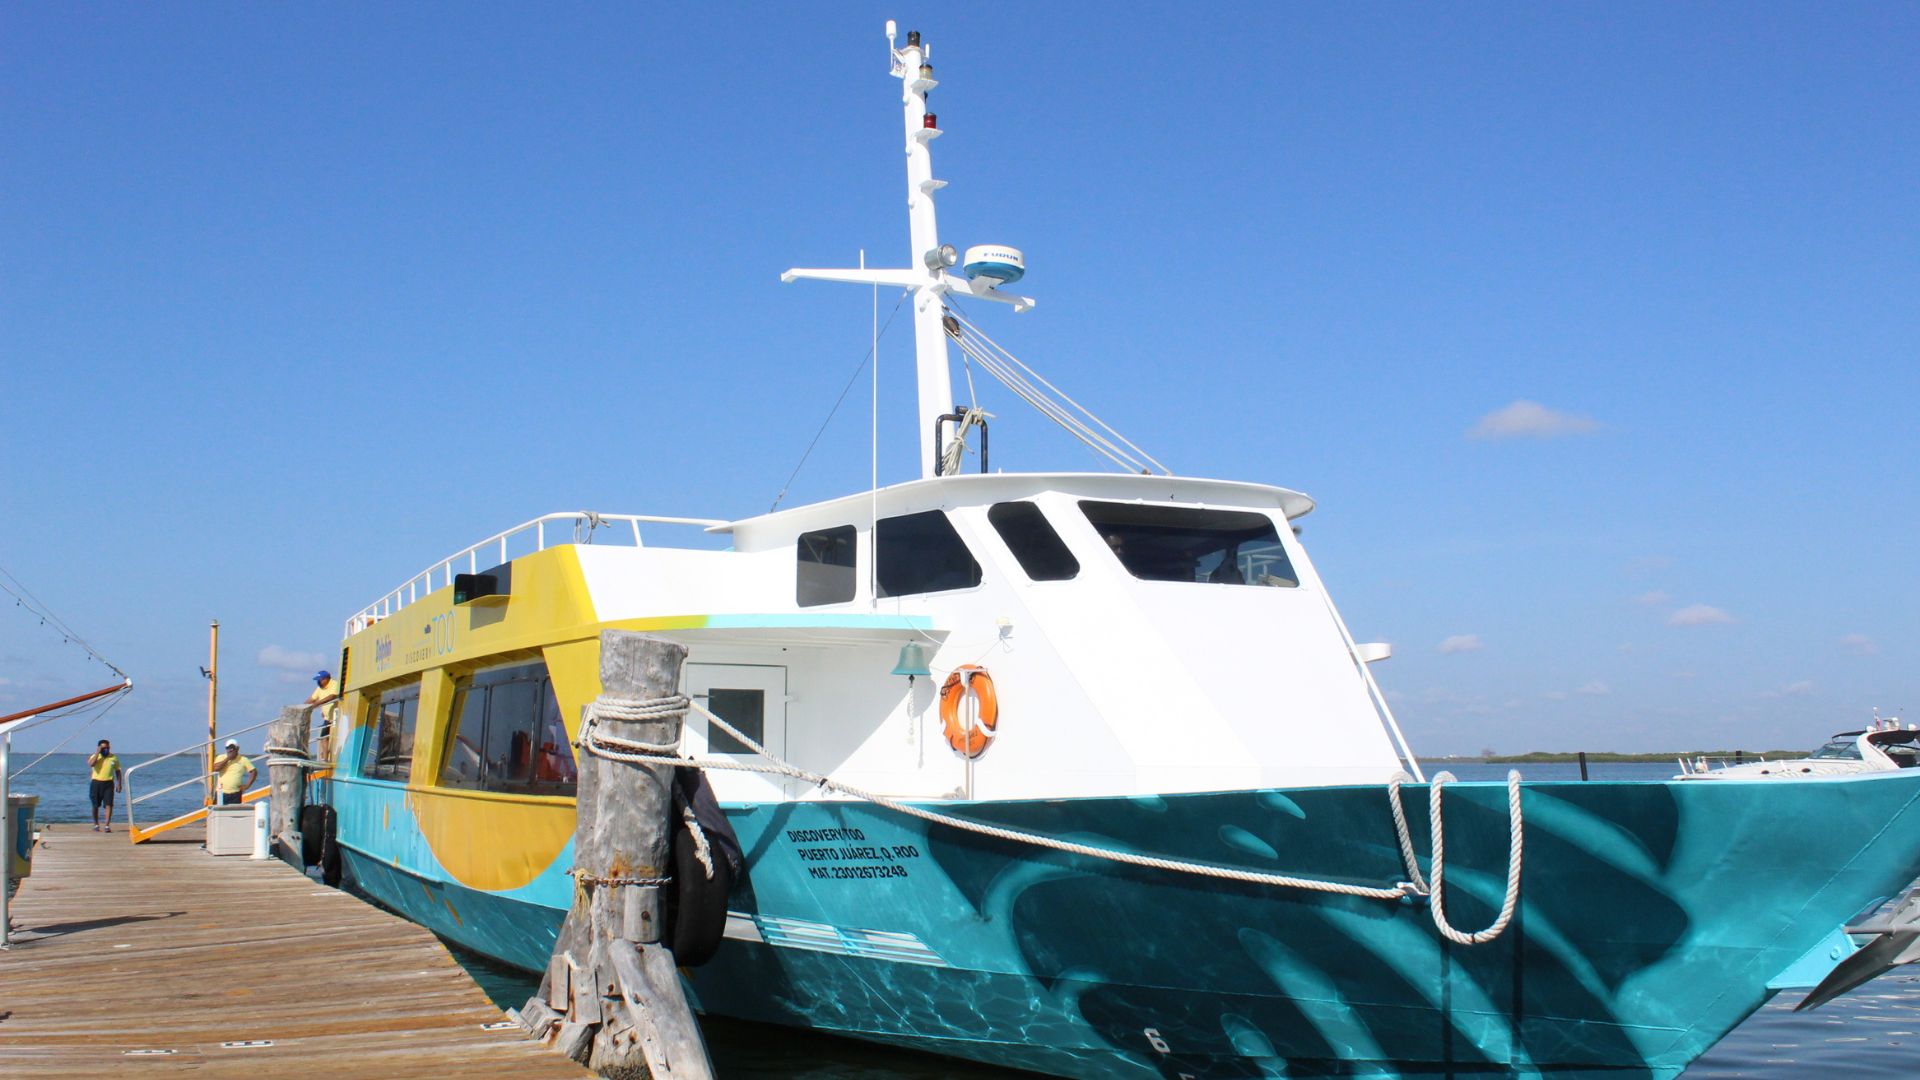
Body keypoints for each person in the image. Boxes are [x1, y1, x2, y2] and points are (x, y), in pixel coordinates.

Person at [86, 738, 123, 832]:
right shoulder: (95, 756)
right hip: (96, 782)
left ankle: (107, 825)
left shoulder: (113, 757)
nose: (106, 749)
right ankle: (96, 824)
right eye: (103, 748)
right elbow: (91, 764)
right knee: (95, 805)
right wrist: (98, 752)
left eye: (107, 748)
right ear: (99, 748)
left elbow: (118, 771)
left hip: (108, 783)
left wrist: (119, 784)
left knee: (108, 804)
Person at [214, 739, 256, 805]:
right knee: (219, 813)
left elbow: (253, 771)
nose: (230, 750)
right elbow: (216, 768)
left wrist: (247, 785)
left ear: (237, 748)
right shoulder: (221, 757)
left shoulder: (243, 760)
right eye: (228, 748)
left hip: (235, 793)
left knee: (233, 813)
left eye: (232, 748)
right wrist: (228, 758)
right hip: (221, 793)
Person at [304, 670, 340, 740]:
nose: (318, 682)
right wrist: (303, 706)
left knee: (329, 737)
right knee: (323, 737)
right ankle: (324, 751)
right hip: (327, 717)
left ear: (326, 679)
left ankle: (327, 751)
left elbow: (332, 696)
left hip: (336, 717)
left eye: (320, 680)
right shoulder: (320, 688)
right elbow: (312, 699)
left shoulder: (335, 684)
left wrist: (317, 703)